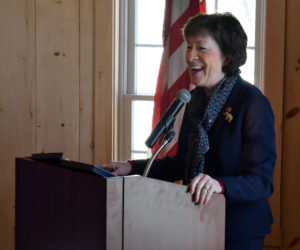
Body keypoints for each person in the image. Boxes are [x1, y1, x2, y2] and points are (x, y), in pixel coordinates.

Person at [104, 13, 276, 250]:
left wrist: (219, 185)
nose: (190, 56)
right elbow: (180, 164)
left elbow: (261, 182)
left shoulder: (252, 102)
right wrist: (131, 167)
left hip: (237, 230)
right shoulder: (193, 100)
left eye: (201, 48)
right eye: (188, 46)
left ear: (227, 55)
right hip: (193, 221)